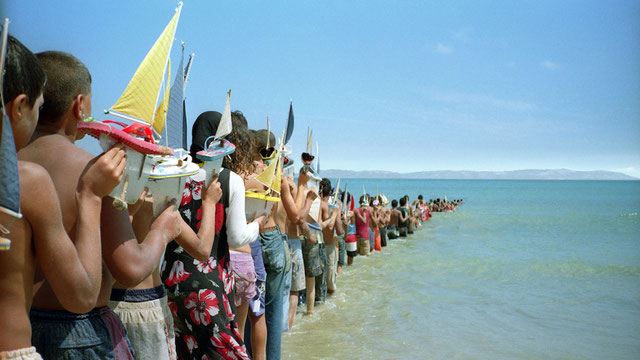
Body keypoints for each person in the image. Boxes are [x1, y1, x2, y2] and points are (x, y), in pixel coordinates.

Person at [20, 50, 181, 360]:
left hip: (19, 327)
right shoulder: (96, 173)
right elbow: (129, 267)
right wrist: (162, 230)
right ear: (80, 105)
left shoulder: (13, 164)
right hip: (79, 333)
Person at [0, 35, 124, 360]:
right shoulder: (28, 180)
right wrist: (92, 195)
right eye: (34, 108)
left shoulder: (24, 164)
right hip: (57, 338)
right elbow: (87, 292)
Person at [162, 111, 264, 359]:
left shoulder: (175, 172)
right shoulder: (229, 179)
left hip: (171, 280)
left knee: (188, 352)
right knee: (230, 352)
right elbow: (238, 237)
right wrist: (258, 224)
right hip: (209, 283)